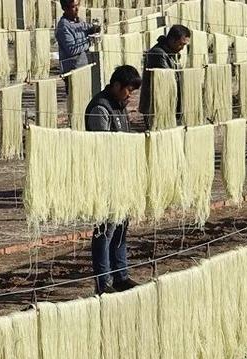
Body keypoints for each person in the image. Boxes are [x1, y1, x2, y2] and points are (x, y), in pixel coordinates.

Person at [86, 65, 142, 294]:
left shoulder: (118, 106)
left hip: (122, 175)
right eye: (128, 90)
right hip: (105, 176)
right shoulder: (100, 109)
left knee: (121, 226)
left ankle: (121, 275)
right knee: (105, 230)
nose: (130, 96)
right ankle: (104, 282)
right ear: (116, 86)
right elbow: (104, 145)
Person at [139, 24, 191, 124]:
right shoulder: (158, 54)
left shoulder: (172, 54)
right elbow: (168, 80)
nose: (182, 48)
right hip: (156, 106)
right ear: (172, 40)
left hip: (167, 105)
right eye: (181, 44)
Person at [56, 0, 100, 74]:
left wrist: (96, 28)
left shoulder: (78, 21)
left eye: (78, 5)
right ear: (65, 8)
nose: (77, 9)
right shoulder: (63, 26)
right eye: (73, 6)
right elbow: (72, 49)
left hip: (84, 66)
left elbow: (88, 28)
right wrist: (90, 41)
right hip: (73, 70)